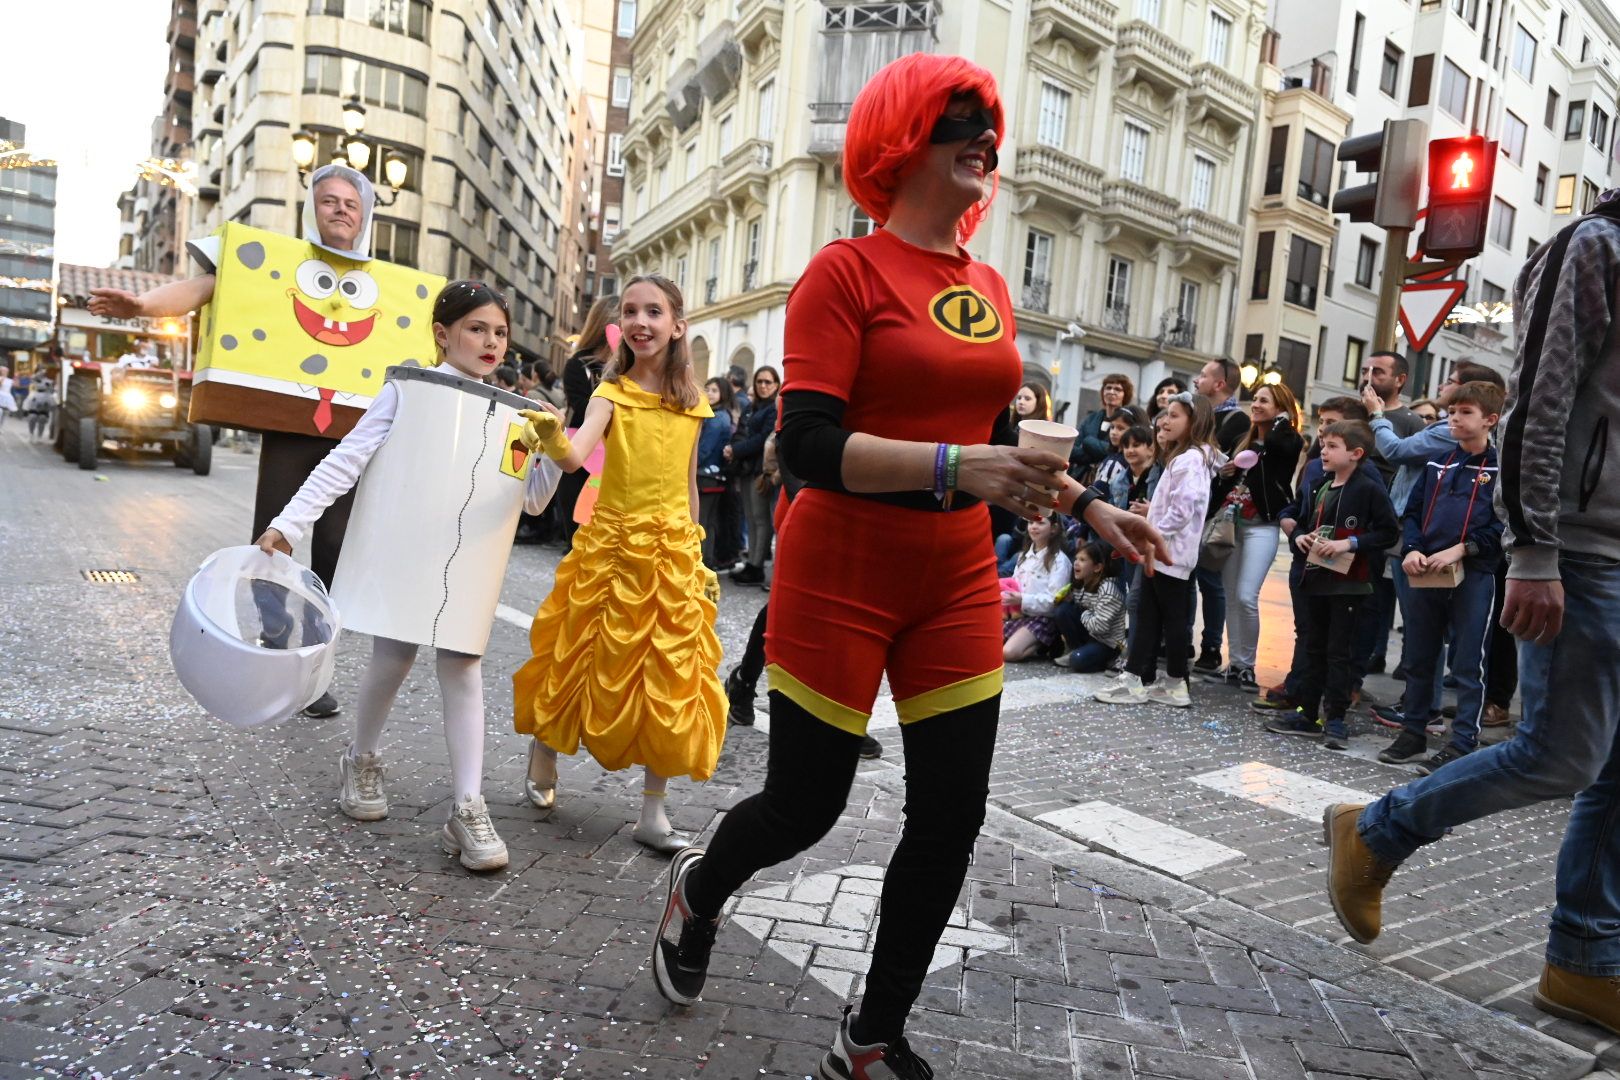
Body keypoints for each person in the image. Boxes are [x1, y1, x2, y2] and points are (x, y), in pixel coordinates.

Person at [647, 57, 1165, 1080]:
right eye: (961, 119)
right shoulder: (844, 274)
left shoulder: (991, 288)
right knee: (806, 808)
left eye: (991, 122)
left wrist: (1091, 504)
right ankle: (700, 889)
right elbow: (802, 447)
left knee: (950, 815)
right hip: (840, 570)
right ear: (902, 138)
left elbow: (993, 444)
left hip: (957, 575)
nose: (986, 136)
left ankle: (871, 1037)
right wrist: (955, 463)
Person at [1324, 197, 1620, 1037]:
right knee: (1559, 752)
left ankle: (1584, 961)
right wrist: (1533, 551)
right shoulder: (1596, 245)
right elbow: (1541, 406)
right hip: (1582, 550)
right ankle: (1376, 832)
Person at [252, 281, 561, 871]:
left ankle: (467, 806)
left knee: (463, 665)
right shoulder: (406, 390)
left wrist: (548, 448)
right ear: (443, 334)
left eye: (500, 332)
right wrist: (289, 523)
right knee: (392, 657)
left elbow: (533, 501)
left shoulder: (518, 414)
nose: (491, 341)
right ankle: (361, 758)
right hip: (408, 548)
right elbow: (348, 457)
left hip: (468, 558)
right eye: (477, 328)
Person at [88, 164, 378, 720]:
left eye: (351, 202)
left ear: (365, 215)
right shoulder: (275, 264)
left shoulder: (386, 285)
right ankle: (277, 636)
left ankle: (312, 668)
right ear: (311, 210)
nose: (341, 209)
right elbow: (203, 288)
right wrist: (144, 307)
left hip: (352, 437)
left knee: (338, 550)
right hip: (291, 427)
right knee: (271, 538)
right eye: (329, 201)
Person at [512, 275, 725, 856]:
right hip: (611, 547)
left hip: (671, 553)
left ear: (677, 324)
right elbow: (577, 457)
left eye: (653, 311)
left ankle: (653, 812)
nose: (640, 321)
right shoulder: (611, 394)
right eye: (630, 311)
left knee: (671, 675)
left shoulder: (692, 402)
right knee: (578, 654)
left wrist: (698, 553)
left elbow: (687, 485)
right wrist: (553, 432)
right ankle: (545, 750)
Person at [1362, 361, 1508, 731]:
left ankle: (1463, 740)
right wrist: (1412, 548)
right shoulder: (1436, 461)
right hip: (1426, 570)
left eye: (1465, 413)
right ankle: (1413, 732)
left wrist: (1464, 549)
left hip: (1473, 575)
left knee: (1466, 662)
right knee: (1421, 652)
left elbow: (1500, 524)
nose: (1454, 420)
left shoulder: (1500, 468)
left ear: (1490, 419)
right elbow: (1413, 512)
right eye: (1451, 412)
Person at [1264, 420, 1398, 749]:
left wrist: (1348, 543)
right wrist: (1299, 535)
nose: (1323, 450)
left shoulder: (1367, 487)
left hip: (1348, 585)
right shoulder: (1319, 484)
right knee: (1314, 646)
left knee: (1339, 653)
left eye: (1332, 446)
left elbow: (1388, 532)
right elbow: (1296, 514)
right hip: (1315, 579)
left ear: (1356, 453)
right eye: (1323, 444)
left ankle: (1335, 718)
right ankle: (1307, 712)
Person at [1096, 391, 1218, 709]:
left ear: (1195, 422)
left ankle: (1174, 682)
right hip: (1164, 552)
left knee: (1172, 620)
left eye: (1174, 415)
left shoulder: (1191, 459)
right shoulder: (1186, 458)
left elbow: (1184, 507)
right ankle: (1137, 677)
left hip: (1169, 554)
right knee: (1150, 616)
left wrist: (1153, 536)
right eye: (1166, 414)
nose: (1165, 420)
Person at [1252, 396, 1373, 715]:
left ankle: (1322, 701)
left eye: (1331, 425)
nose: (1322, 432)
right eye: (1320, 424)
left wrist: (1347, 543)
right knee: (1305, 628)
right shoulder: (1317, 466)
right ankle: (1299, 686)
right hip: (1305, 557)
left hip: (1340, 571)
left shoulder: (1365, 476)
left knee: (1329, 640)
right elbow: (1301, 503)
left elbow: (1379, 525)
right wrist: (1289, 520)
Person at [1207, 384, 1304, 690]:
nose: (1257, 404)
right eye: (1256, 399)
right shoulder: (1241, 440)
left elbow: (1279, 444)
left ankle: (1248, 665)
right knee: (1232, 596)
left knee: (1248, 596)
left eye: (1265, 401)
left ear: (1282, 410)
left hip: (1263, 524)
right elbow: (1222, 479)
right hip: (1232, 524)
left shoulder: (1286, 439)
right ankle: (1235, 664)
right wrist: (1224, 474)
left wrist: (1282, 420)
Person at [1188, 358, 1249, 675]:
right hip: (1190, 508)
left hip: (1213, 511)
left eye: (1203, 375)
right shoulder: (1198, 415)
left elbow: (1219, 462)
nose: (1197, 380)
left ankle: (1211, 646)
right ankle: (1182, 639)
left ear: (1220, 383)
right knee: (1183, 577)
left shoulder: (1236, 421)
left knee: (1210, 581)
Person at [556, 294, 620, 549]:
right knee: (577, 539)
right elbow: (582, 409)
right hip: (582, 456)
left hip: (618, 461)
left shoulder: (634, 368)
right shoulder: (578, 364)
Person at [726, 365, 779, 585]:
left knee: (760, 520)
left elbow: (762, 440)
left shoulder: (773, 409)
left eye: (768, 382)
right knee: (751, 517)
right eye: (760, 382)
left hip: (760, 471)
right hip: (747, 469)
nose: (763, 386)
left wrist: (735, 450)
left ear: (776, 385)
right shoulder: (754, 406)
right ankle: (752, 564)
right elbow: (743, 433)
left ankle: (756, 566)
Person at [1002, 513, 1072, 661]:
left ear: (1053, 528)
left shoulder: (1059, 561)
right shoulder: (1023, 556)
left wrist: (1023, 599)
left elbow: (1055, 600)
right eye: (1031, 523)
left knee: (1008, 653)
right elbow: (1014, 584)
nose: (1034, 527)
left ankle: (1048, 642)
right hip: (1019, 614)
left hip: (1043, 618)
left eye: (1040, 523)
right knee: (990, 647)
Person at [1052, 541, 1128, 672]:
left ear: (1097, 567)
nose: (1076, 563)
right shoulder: (1081, 583)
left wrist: (1084, 613)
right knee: (1062, 610)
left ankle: (1110, 659)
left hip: (1108, 642)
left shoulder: (1108, 590)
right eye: (1076, 558)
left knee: (1077, 661)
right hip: (1091, 633)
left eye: (1082, 560)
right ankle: (1077, 650)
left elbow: (1100, 627)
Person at [697, 376, 735, 566]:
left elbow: (704, 450)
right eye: (707, 389)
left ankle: (700, 562)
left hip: (706, 475)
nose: (709, 394)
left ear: (723, 393)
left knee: (702, 521)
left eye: (714, 390)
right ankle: (706, 561)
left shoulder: (717, 417)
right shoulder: (722, 415)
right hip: (714, 475)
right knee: (709, 522)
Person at [1072, 373, 1133, 474]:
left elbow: (1117, 452)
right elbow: (1072, 451)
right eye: (1108, 388)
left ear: (1125, 394)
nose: (1111, 392)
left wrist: (1088, 442)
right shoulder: (1090, 419)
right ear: (1103, 392)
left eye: (1117, 389)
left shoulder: (1129, 421)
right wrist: (1097, 455)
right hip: (1081, 475)